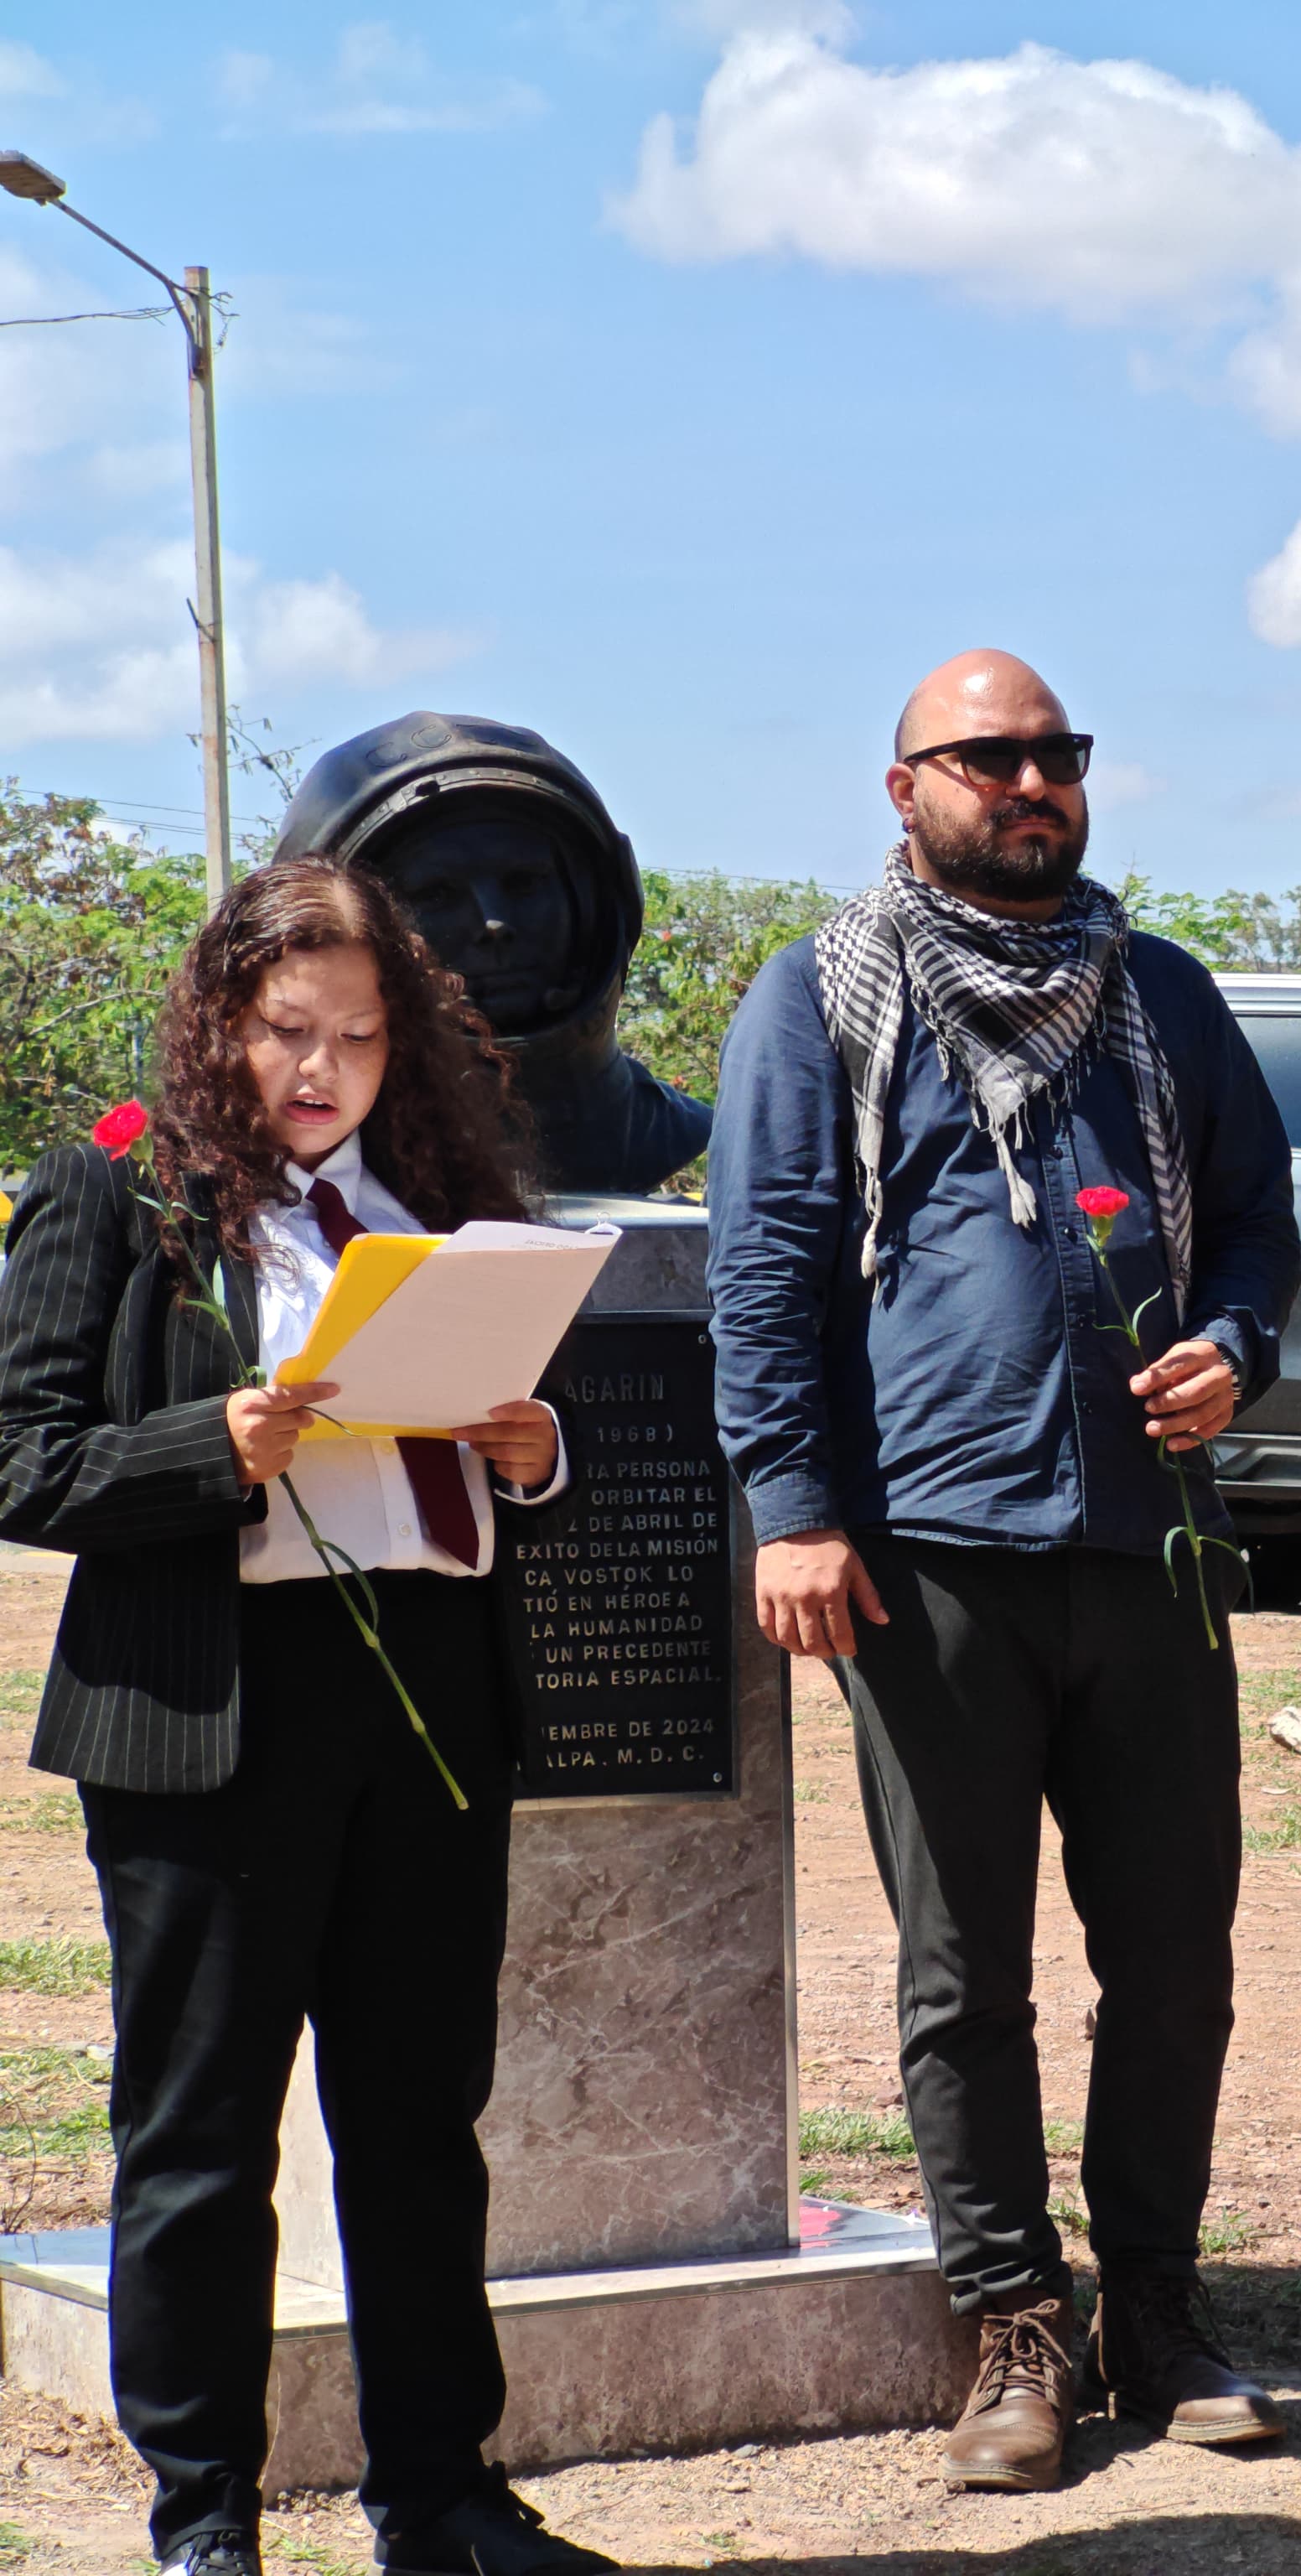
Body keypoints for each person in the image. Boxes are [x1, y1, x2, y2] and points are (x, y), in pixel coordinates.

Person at [706, 650, 1301, 2490]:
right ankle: (1013, 2328)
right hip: (928, 1561)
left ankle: (1157, 2314)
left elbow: (1255, 1225)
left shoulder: (1163, 994)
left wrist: (1236, 1346)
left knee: (1175, 1965)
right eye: (990, 757)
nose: (1032, 781)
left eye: (1056, 753)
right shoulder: (819, 997)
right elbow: (766, 1266)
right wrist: (793, 1508)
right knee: (965, 1977)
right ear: (906, 789)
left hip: (1151, 1552)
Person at [0, 861, 607, 2576]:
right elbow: (24, 1461)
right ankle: (205, 2515)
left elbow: (521, 1444)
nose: (322, 1069)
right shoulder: (119, 1189)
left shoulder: (443, 1201)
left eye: (358, 1033)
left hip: (428, 1700)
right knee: (199, 2132)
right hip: (216, 1708)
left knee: (417, 2122)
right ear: (221, 1024)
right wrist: (210, 1448)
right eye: (286, 1032)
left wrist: (535, 1452)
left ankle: (441, 2496)